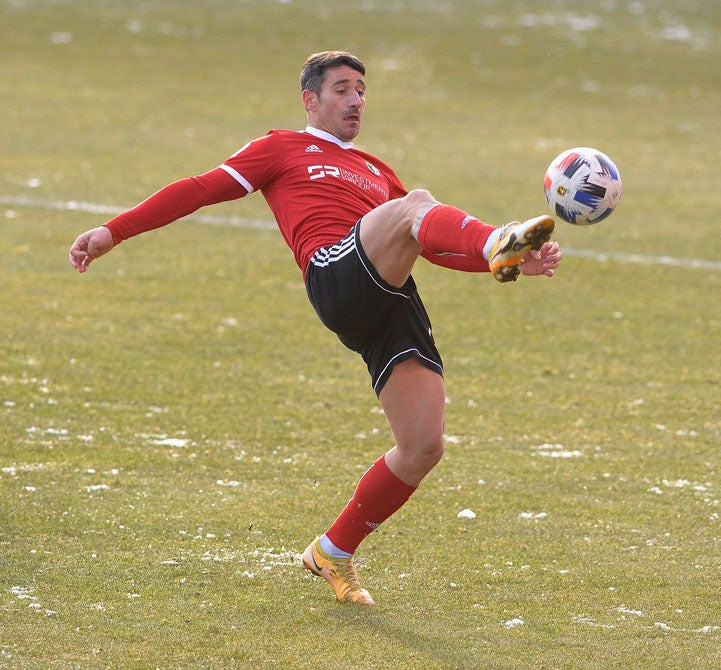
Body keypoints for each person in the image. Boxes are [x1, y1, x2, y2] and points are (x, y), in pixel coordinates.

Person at [69, 50, 561, 606]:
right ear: (312, 100)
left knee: (423, 445)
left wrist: (510, 262)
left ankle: (333, 550)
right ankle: (499, 236)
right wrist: (114, 231)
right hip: (335, 274)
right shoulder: (280, 147)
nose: (355, 100)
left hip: (390, 297)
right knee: (417, 204)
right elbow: (200, 188)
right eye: (343, 89)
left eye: (361, 90)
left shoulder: (378, 170)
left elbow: (434, 245)